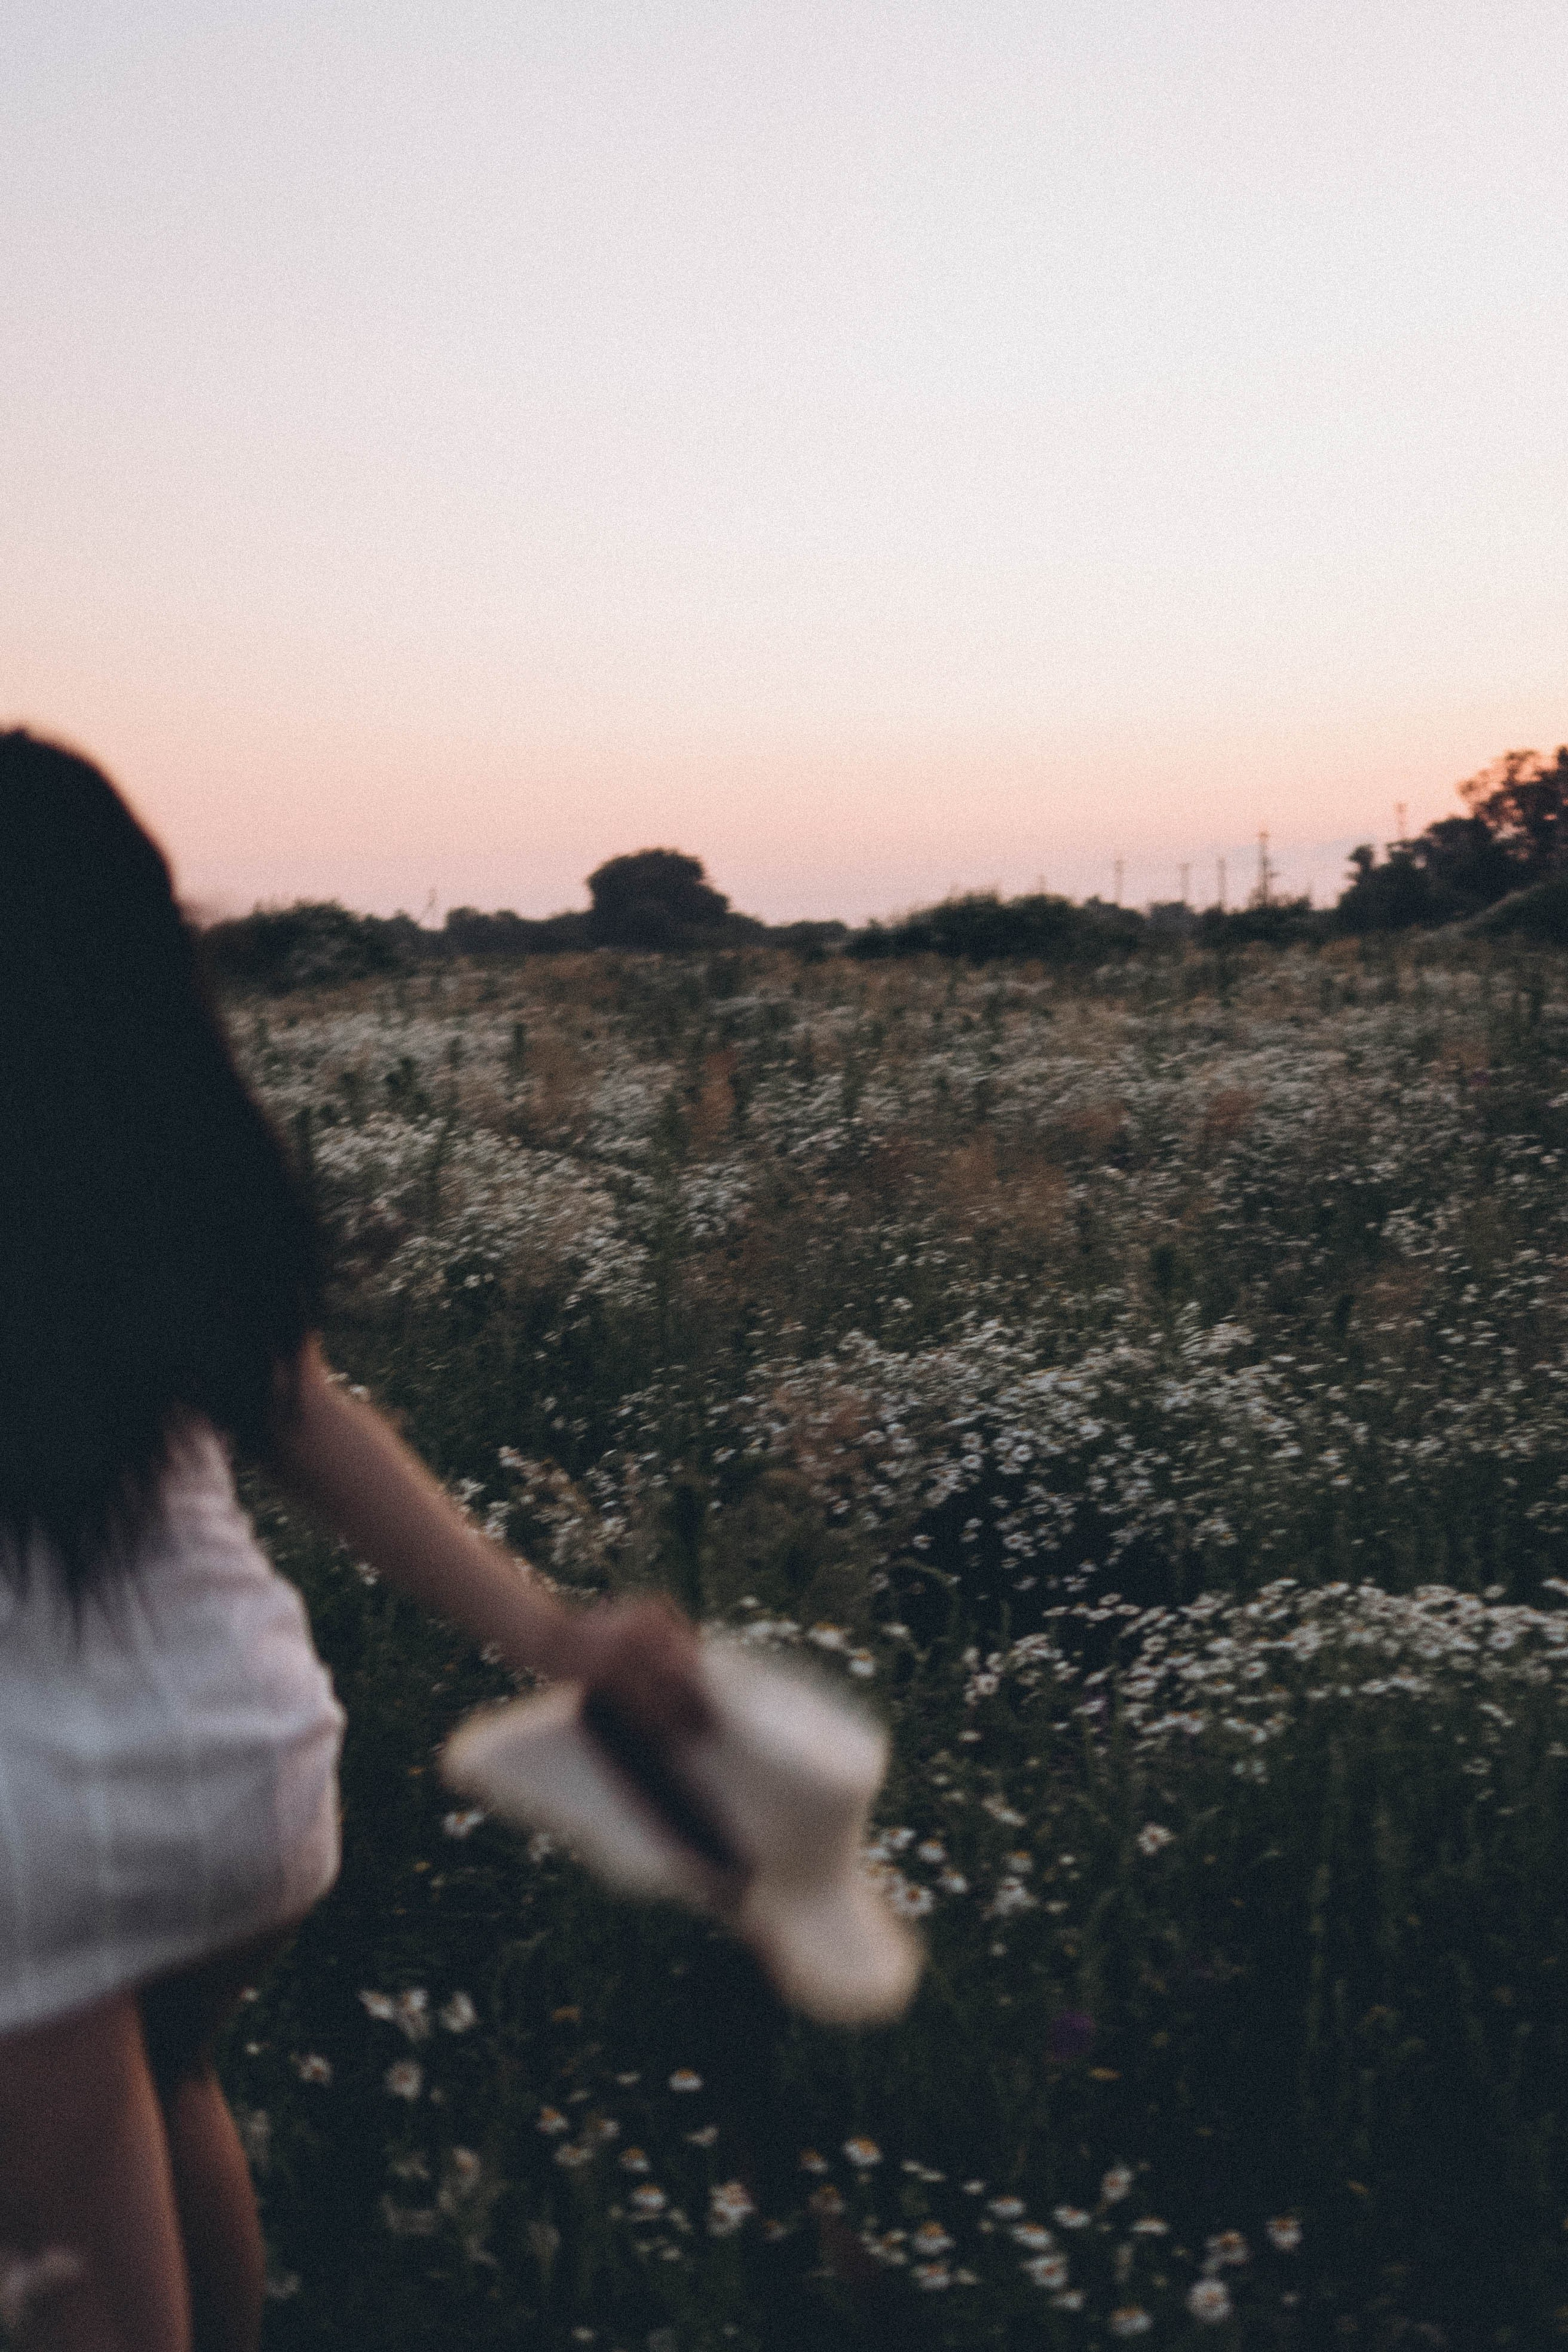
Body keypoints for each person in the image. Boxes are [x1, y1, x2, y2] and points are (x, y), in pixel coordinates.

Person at [0, 731, 709, 2352]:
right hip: (240, 1772)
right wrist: (552, 1630)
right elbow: (308, 1419)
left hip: (29, 1822)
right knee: (169, 2083)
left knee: (71, 2286)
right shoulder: (163, 1150)